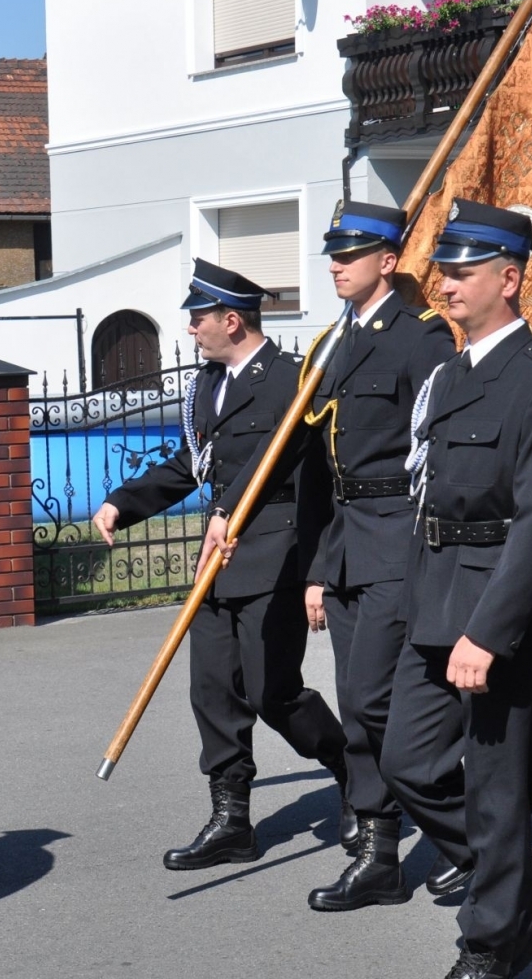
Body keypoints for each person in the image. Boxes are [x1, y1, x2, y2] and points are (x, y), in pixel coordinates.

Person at [211, 199, 460, 912]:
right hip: (348, 540)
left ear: (388, 260)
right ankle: (381, 850)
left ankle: (458, 826)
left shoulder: (420, 340)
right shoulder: (326, 346)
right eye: (332, 255)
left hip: (400, 536)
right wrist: (318, 568)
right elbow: (314, 469)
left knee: (380, 701)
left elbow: (440, 453)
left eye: (349, 255)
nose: (334, 266)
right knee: (357, 700)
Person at [377, 200, 532, 979]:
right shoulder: (446, 376)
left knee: (499, 788)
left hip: (512, 609)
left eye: (462, 272)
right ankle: (523, 889)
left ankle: (489, 942)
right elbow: (425, 501)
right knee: (405, 759)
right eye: (443, 271)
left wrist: (487, 632)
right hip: (438, 594)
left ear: (509, 279)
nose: (444, 285)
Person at [92, 259, 350, 873]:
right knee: (212, 691)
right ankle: (232, 819)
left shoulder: (293, 380)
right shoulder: (208, 383)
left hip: (274, 553)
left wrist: (248, 522)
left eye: (198, 318)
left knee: (271, 691)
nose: (190, 329)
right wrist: (123, 504)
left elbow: (288, 463)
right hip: (219, 556)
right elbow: (194, 463)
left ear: (231, 320)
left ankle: (353, 770)